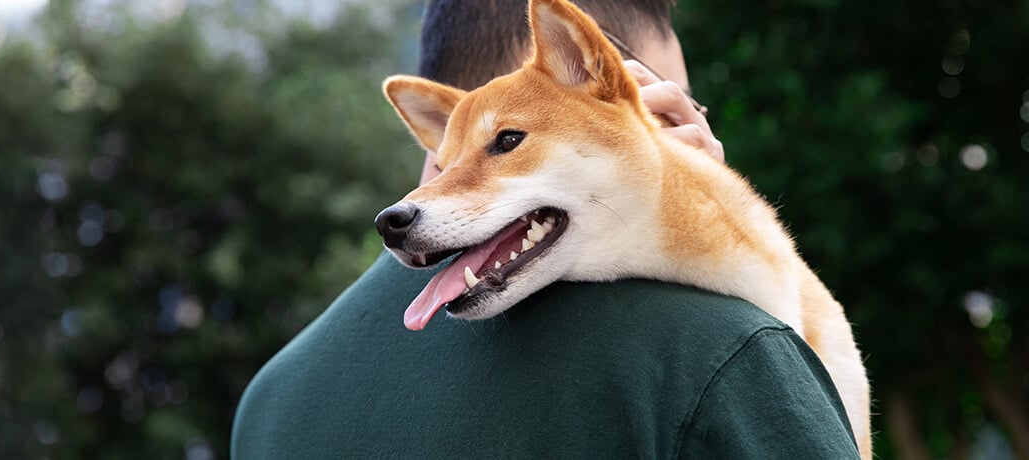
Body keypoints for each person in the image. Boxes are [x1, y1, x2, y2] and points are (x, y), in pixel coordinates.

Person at [232, 0, 861, 457]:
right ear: (584, 57)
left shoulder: (267, 402)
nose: (689, 130)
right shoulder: (718, 350)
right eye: (662, 98)